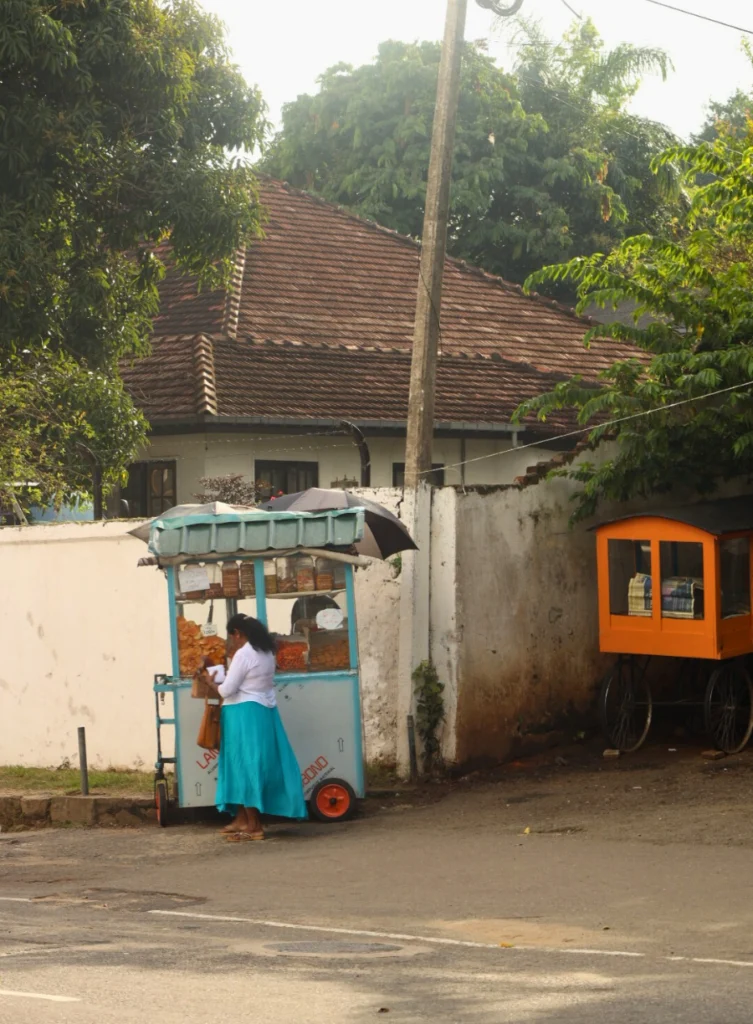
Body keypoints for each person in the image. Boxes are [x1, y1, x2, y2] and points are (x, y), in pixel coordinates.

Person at [201, 613, 307, 842]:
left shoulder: (244, 654)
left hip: (242, 713)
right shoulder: (267, 652)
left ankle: (254, 825)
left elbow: (226, 690)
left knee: (243, 766)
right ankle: (242, 818)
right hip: (263, 711)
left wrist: (210, 681)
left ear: (238, 633)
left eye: (233, 637)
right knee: (248, 764)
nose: (233, 642)